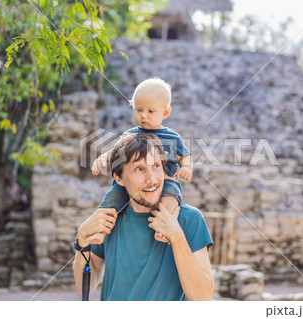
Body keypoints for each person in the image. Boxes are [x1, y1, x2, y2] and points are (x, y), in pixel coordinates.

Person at [73, 133, 214, 301]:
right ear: (119, 178)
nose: (151, 179)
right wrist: (82, 240)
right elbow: (85, 287)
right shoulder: (110, 219)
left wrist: (176, 236)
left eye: (156, 166)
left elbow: (202, 297)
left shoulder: (188, 219)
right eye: (139, 169)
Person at [90, 77, 193, 244]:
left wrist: (186, 168)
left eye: (150, 111)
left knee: (171, 199)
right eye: (139, 110)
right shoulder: (130, 135)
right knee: (112, 200)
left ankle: (164, 229)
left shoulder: (172, 137)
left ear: (165, 113)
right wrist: (103, 158)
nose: (143, 115)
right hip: (132, 183)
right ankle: (100, 232)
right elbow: (115, 152)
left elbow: (185, 156)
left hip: (165, 182)